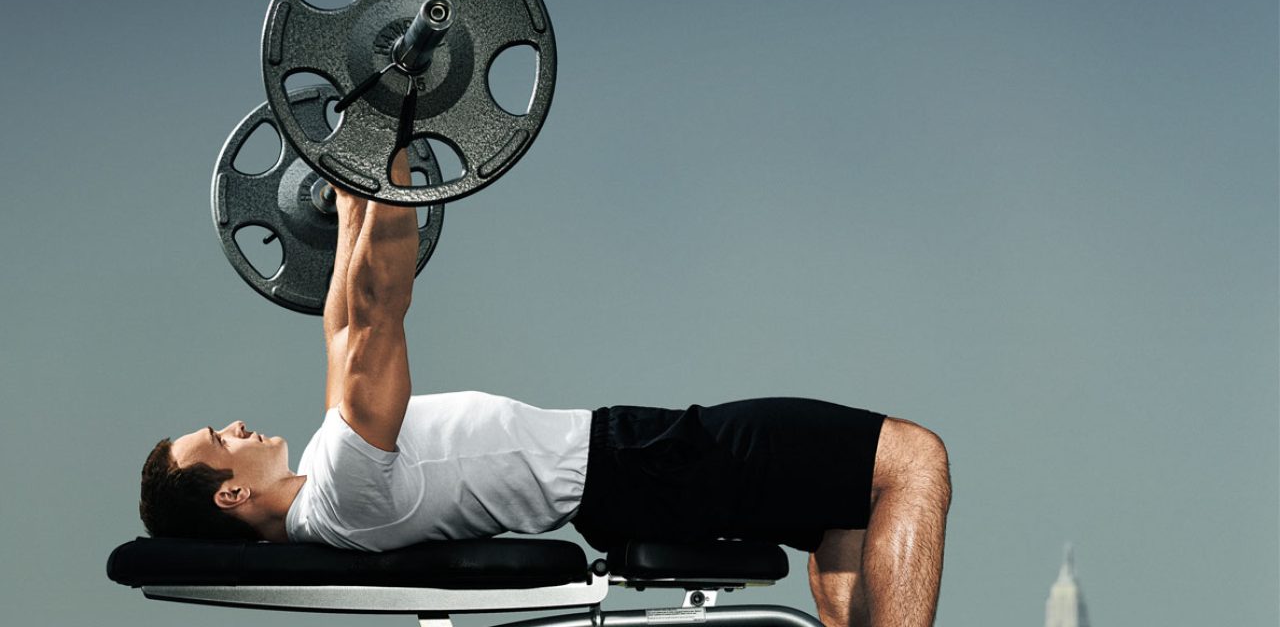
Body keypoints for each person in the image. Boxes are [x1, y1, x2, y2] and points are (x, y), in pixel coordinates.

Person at [139, 152, 952, 627]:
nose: (236, 424)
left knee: (843, 510)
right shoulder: (344, 493)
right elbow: (378, 312)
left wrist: (354, 203)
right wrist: (389, 150)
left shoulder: (328, 478)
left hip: (629, 470)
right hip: (642, 466)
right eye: (219, 439)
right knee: (911, 459)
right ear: (230, 495)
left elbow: (345, 319)